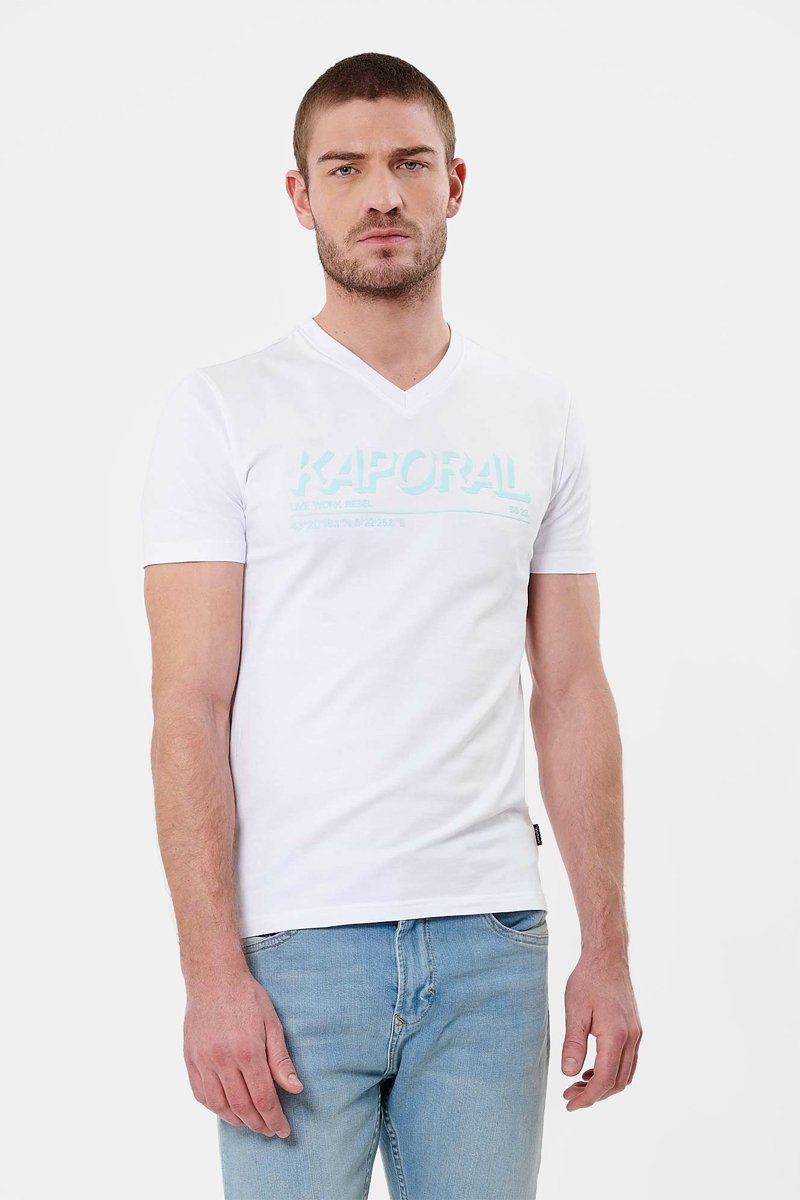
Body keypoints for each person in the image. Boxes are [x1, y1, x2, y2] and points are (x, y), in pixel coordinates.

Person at [140, 51, 642, 1200]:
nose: (381, 195)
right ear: (299, 194)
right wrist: (210, 973)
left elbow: (572, 692)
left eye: (410, 164)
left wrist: (606, 951)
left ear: (454, 183)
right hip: (293, 949)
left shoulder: (534, 414)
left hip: (489, 945)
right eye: (345, 168)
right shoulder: (225, 409)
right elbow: (186, 705)